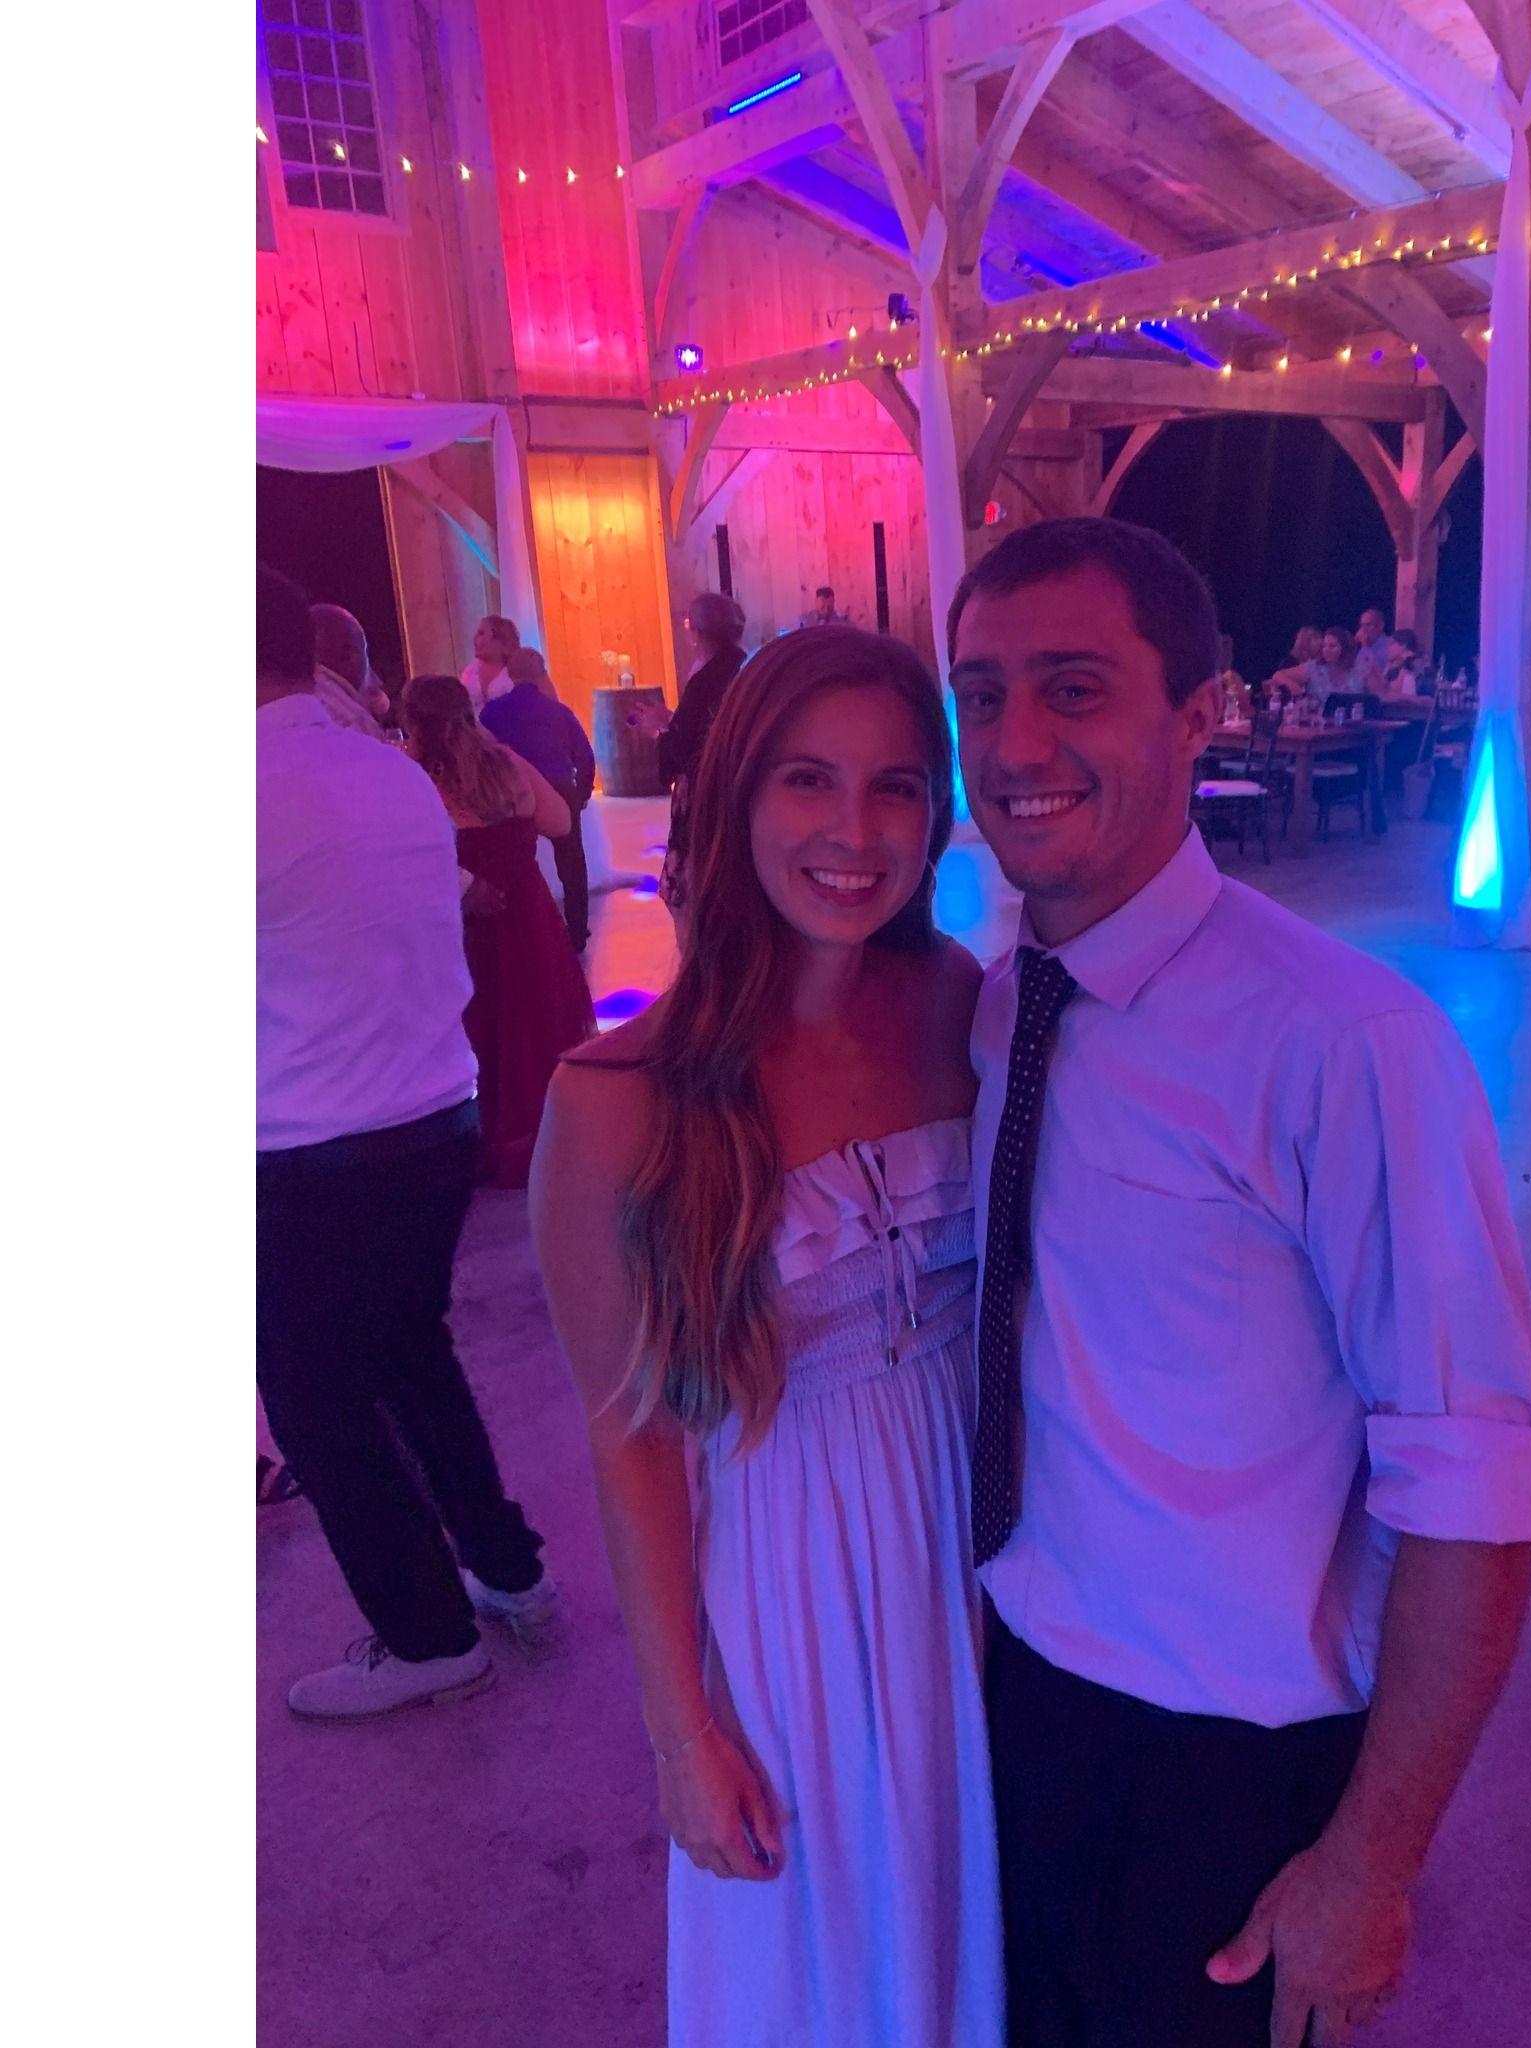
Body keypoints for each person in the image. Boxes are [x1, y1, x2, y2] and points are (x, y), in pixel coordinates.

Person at [946, 517, 1531, 2048]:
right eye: (981, 695)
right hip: (1021, 1698)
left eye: (1075, 688)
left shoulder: (1344, 1043)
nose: (1014, 743)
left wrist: (1373, 1862)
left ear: (1201, 713)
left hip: (1224, 1768)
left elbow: (1476, 1488)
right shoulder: (1004, 1007)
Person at [529, 626, 1000, 2048]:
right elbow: (631, 1447)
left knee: (985, 1916)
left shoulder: (959, 1001)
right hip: (798, 1579)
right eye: (807, 780)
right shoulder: (617, 1097)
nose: (854, 833)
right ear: (735, 795)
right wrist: (683, 1733)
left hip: (986, 1532)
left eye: (895, 786)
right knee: (831, 1944)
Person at [257, 565, 554, 1720]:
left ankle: (428, 1635)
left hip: (311, 1145)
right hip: (434, 1118)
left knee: (319, 1405)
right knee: (410, 1356)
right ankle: (506, 1566)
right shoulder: (385, 772)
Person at [402, 675, 595, 1187]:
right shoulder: (507, 763)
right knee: (538, 1020)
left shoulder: (417, 781)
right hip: (529, 915)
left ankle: (493, 1139)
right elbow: (559, 822)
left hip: (468, 926)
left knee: (486, 1028)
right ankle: (555, 1136)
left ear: (415, 724)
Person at [484, 645, 598, 952]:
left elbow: (483, 754)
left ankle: (520, 933)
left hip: (512, 790)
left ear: (510, 674)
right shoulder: (558, 712)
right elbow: (585, 756)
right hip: (559, 788)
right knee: (572, 860)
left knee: (515, 859)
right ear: (541, 674)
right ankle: (577, 931)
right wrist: (581, 794)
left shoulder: (491, 713)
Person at [658, 592, 749, 916]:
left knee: (693, 888)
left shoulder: (705, 679)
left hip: (707, 790)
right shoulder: (746, 667)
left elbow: (684, 749)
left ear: (696, 631)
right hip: (743, 782)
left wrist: (660, 731)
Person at [309, 602, 392, 738]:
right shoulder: (353, 719)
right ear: (351, 654)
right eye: (365, 653)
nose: (377, 680)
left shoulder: (292, 701)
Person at [462, 613, 520, 711]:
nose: (475, 638)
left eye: (481, 633)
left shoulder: (515, 674)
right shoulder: (470, 672)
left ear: (499, 641)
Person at [1356, 606, 1399, 678]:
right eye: (1362, 625)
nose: (1363, 629)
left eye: (1368, 625)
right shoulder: (1362, 649)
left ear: (1381, 626)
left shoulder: (1390, 645)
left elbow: (1379, 672)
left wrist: (1366, 647)